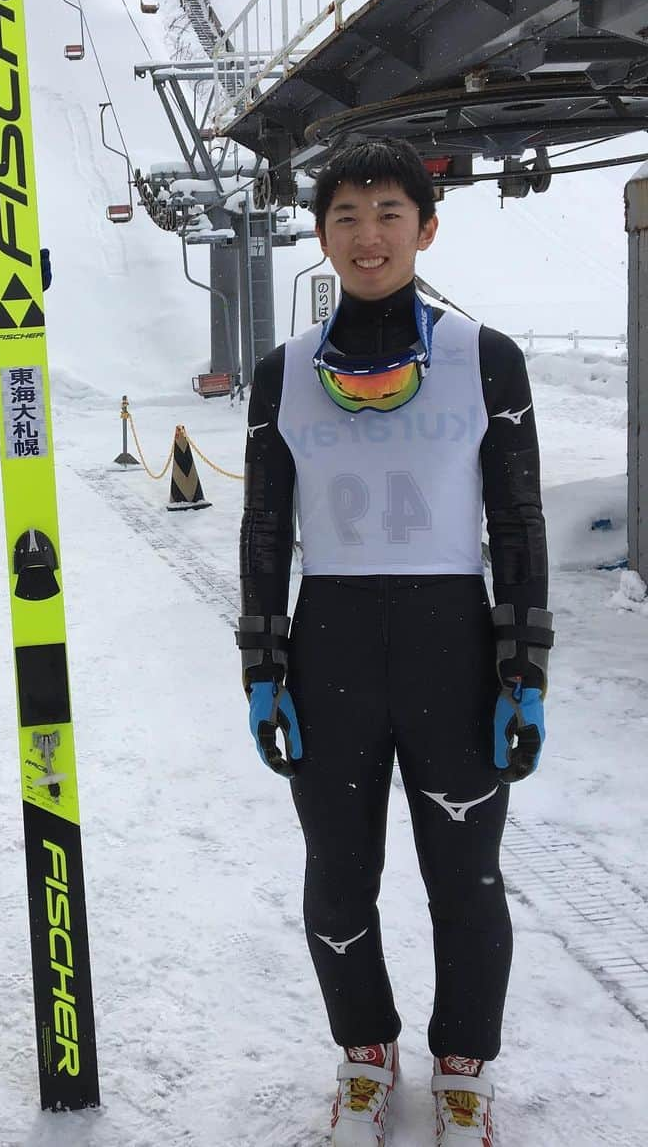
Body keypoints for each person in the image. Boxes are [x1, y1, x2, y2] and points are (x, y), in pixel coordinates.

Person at [237, 139, 551, 1146]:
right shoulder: (282, 372)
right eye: (345, 214)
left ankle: (465, 1067)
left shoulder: (483, 356)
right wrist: (262, 666)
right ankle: (366, 1053)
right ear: (319, 232)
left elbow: (519, 522)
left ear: (426, 225)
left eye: (387, 211)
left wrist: (524, 669)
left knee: (467, 877)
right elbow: (264, 531)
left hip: (452, 643)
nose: (366, 234)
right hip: (332, 645)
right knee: (337, 870)